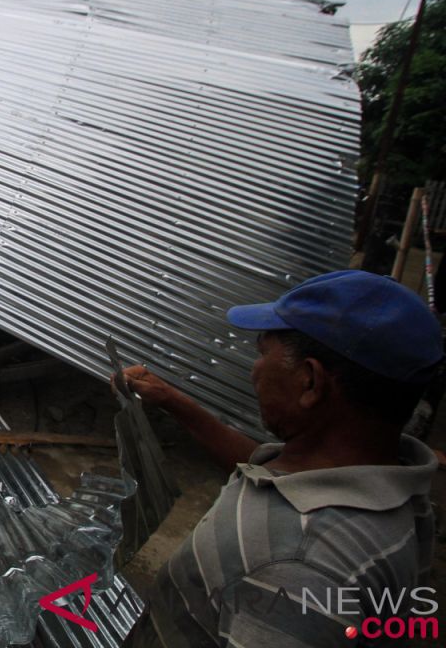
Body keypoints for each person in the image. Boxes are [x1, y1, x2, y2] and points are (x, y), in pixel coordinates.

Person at [118, 270, 440, 647]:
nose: (255, 371)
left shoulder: (292, 570)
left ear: (310, 382)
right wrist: (173, 401)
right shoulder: (385, 479)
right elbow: (267, 471)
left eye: (262, 353)